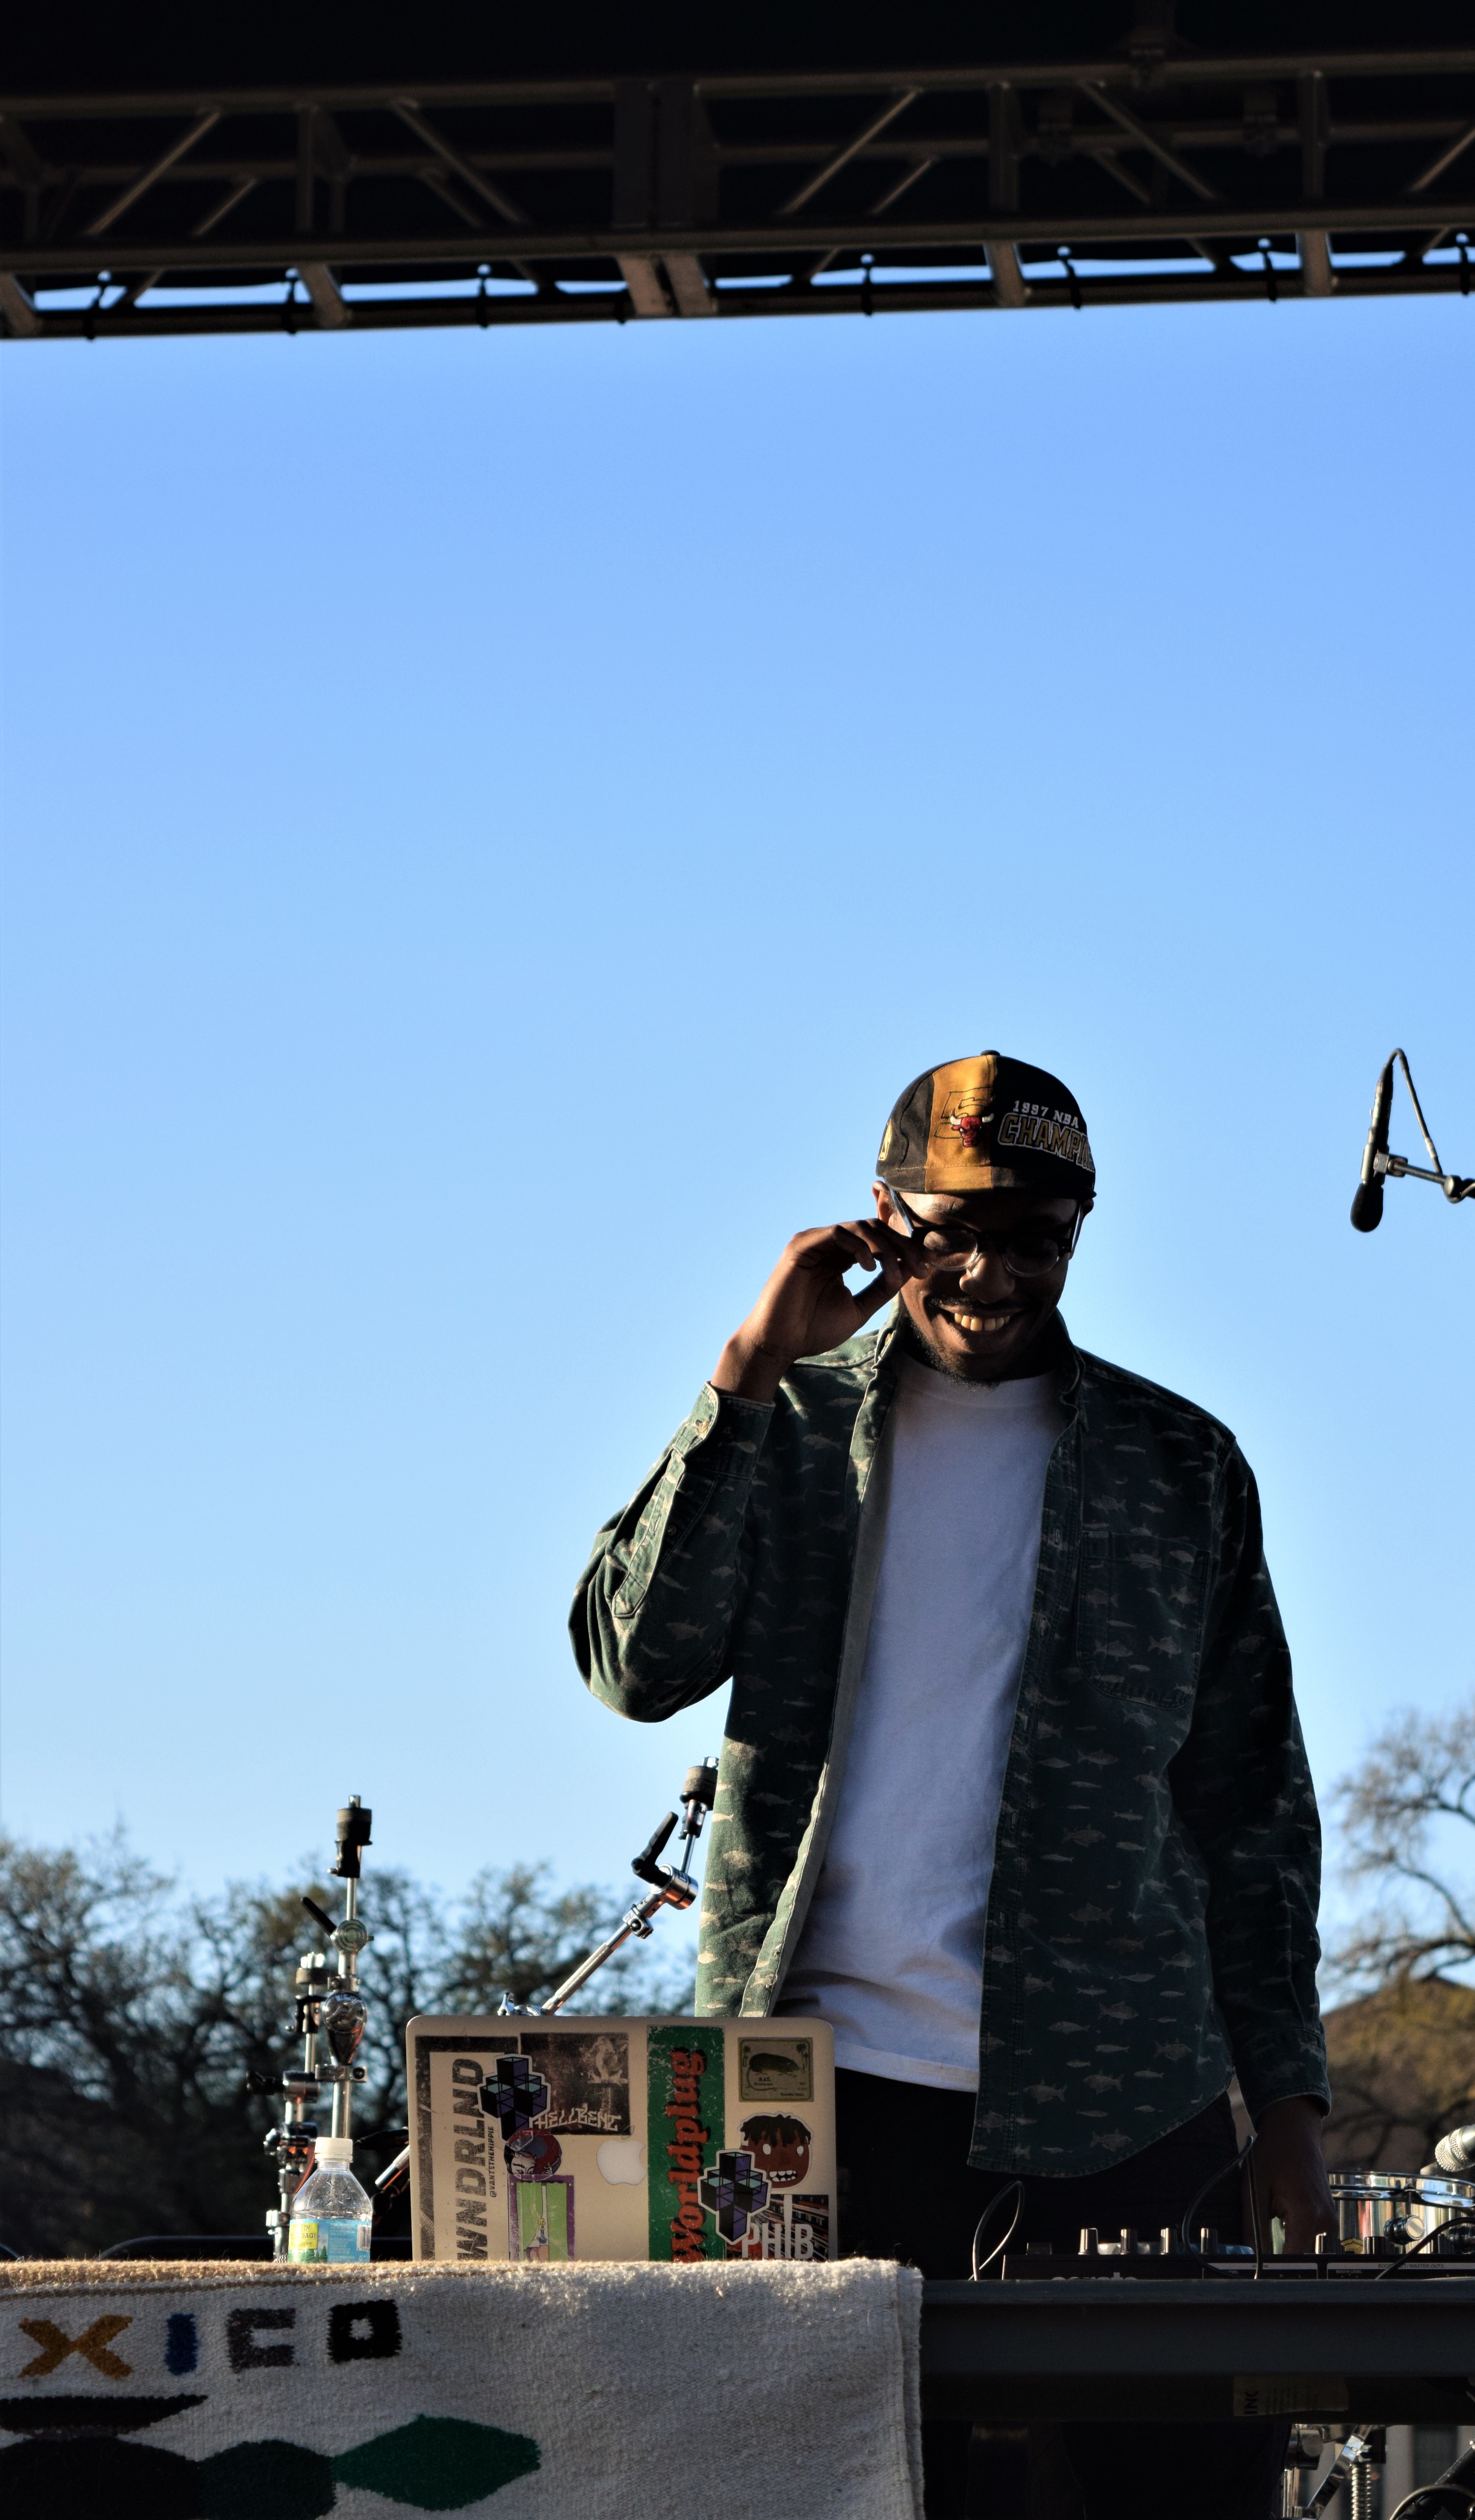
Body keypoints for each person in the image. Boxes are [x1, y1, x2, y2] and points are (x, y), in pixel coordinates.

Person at [569, 1052, 1332, 2518]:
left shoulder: (1183, 1466)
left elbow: (1253, 1802)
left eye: (1036, 1239)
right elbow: (633, 1662)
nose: (991, 1274)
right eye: (952, 1234)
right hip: (814, 2107)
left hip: (1123, 2098)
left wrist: (1287, 2098)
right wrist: (746, 1371)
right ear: (882, 1218)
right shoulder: (788, 1428)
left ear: (1081, 1235)